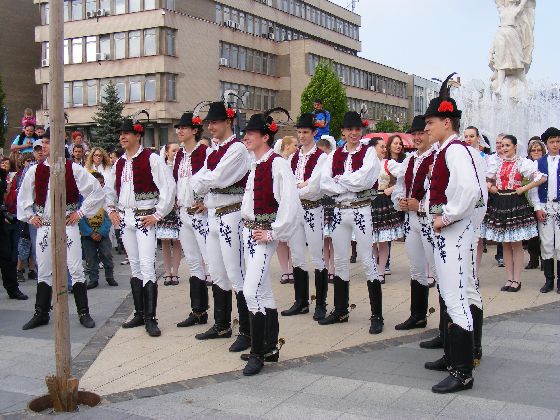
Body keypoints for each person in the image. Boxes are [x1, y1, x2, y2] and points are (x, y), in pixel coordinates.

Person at [422, 75, 486, 393]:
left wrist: (447, 216)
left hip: (454, 230)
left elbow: (472, 190)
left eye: (430, 122)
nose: (426, 128)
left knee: (456, 296)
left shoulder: (455, 150)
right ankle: (457, 357)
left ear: (446, 122)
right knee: (454, 294)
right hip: (452, 230)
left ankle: (463, 371)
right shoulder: (447, 150)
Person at [18, 128, 104, 330]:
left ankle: (84, 312)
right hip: (45, 225)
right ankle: (41, 312)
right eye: (42, 142)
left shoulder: (73, 168)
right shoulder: (35, 170)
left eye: (47, 142)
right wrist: (30, 216)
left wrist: (80, 213)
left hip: (68, 224)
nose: (43, 146)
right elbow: (23, 197)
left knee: (75, 267)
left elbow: (96, 191)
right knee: (44, 269)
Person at [237, 111, 301, 376]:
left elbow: (290, 204)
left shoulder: (277, 164)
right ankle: (270, 347)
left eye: (251, 133)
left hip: (263, 234)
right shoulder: (255, 164)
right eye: (246, 133)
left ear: (265, 136)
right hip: (250, 232)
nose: (246, 137)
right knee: (262, 291)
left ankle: (257, 353)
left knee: (250, 291)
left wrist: (274, 232)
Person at [106, 119, 176, 337]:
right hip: (125, 218)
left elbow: (168, 187)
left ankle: (150, 318)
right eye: (121, 133)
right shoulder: (119, 163)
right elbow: (109, 189)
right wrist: (111, 210)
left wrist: (158, 214)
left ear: (138, 136)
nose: (122, 137)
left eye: (127, 133)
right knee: (135, 266)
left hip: (144, 217)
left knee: (147, 265)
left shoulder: (151, 158)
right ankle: (139, 313)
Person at [191, 102, 252, 353]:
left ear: (228, 122)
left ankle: (247, 330)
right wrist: (205, 181)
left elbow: (218, 178)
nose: (210, 126)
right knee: (216, 270)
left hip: (231, 213)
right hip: (214, 214)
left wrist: (204, 181)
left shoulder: (237, 149)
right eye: (209, 123)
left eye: (215, 122)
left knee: (235, 271)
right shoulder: (213, 150)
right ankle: (222, 324)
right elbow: (198, 180)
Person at [320, 111, 383, 333]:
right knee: (339, 259)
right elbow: (324, 183)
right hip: (340, 210)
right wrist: (348, 184)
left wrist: (339, 181)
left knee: (367, 259)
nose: (354, 133)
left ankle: (377, 315)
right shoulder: (334, 154)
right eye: (349, 129)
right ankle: (341, 310)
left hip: (360, 209)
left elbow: (364, 179)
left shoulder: (369, 153)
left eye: (357, 129)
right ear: (343, 132)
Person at [480, 134, 544, 292]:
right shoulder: (497, 162)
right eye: (502, 145)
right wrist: (491, 187)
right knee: (505, 243)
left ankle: (517, 280)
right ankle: (509, 278)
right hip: (500, 202)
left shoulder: (522, 162)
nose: (504, 148)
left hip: (516, 202)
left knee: (516, 243)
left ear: (515, 146)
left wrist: (524, 188)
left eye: (507, 145)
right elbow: (487, 180)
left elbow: (541, 178)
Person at [392, 116, 436, 331]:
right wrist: (400, 201)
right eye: (415, 134)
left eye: (421, 133)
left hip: (429, 220)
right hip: (411, 220)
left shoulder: (436, 156)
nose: (417, 137)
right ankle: (418, 315)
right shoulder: (410, 159)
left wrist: (420, 205)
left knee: (437, 268)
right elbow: (401, 186)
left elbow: (441, 192)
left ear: (429, 133)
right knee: (416, 268)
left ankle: (447, 321)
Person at [282, 112, 328, 320]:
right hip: (296, 210)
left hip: (312, 209)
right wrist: (300, 186)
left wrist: (298, 187)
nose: (301, 136)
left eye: (305, 132)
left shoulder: (322, 157)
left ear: (314, 133)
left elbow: (315, 187)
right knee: (297, 255)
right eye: (299, 132)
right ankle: (300, 301)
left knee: (317, 255)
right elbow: (287, 184)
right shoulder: (293, 157)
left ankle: (320, 304)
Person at [172, 112, 212, 328]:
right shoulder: (179, 154)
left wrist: (207, 202)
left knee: (210, 261)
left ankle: (222, 317)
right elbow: (177, 181)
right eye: (178, 128)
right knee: (193, 262)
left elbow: (214, 178)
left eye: (184, 128)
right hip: (184, 213)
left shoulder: (205, 152)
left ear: (195, 130)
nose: (180, 131)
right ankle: (198, 311)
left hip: (200, 214)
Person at [372, 135, 405, 283]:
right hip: (369, 202)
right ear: (373, 148)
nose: (384, 149)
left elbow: (405, 175)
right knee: (371, 239)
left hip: (383, 201)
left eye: (385, 147)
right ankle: (375, 268)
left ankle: (381, 272)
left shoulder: (388, 163)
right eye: (382, 146)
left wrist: (393, 188)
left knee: (383, 239)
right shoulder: (365, 164)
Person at [80, 172, 117, 289]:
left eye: (101, 183)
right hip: (88, 235)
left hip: (103, 234)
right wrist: (90, 232)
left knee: (107, 255)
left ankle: (110, 276)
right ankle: (93, 279)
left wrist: (101, 232)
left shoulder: (106, 199)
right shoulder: (83, 198)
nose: (98, 185)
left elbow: (108, 218)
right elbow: (80, 218)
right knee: (90, 257)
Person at [534, 127, 560, 294]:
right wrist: (537, 207)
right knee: (547, 243)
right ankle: (549, 280)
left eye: (558, 141)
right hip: (545, 206)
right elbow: (534, 189)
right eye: (552, 142)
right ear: (546, 144)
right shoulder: (539, 163)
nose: (555, 145)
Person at [0, 166, 28, 300]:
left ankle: (12, 289)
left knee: (8, 256)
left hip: (3, 222)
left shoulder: (2, 174)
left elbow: (5, 193)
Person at [156, 143, 182, 286]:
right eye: (173, 150)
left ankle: (176, 272)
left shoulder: (181, 166)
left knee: (177, 241)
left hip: (178, 207)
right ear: (166, 153)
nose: (176, 153)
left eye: (178, 150)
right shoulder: (162, 167)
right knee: (165, 241)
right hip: (166, 208)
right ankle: (167, 272)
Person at [316, 137, 336, 284]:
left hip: (333, 200)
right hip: (321, 200)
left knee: (333, 238)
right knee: (324, 238)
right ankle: (325, 268)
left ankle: (333, 269)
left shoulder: (333, 161)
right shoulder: (317, 163)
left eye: (324, 152)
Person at [525, 139, 546, 269]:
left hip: (543, 202)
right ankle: (533, 260)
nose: (536, 152)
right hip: (529, 203)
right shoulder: (526, 165)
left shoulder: (545, 164)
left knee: (544, 234)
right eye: (533, 150)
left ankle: (545, 260)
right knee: (532, 234)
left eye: (539, 150)